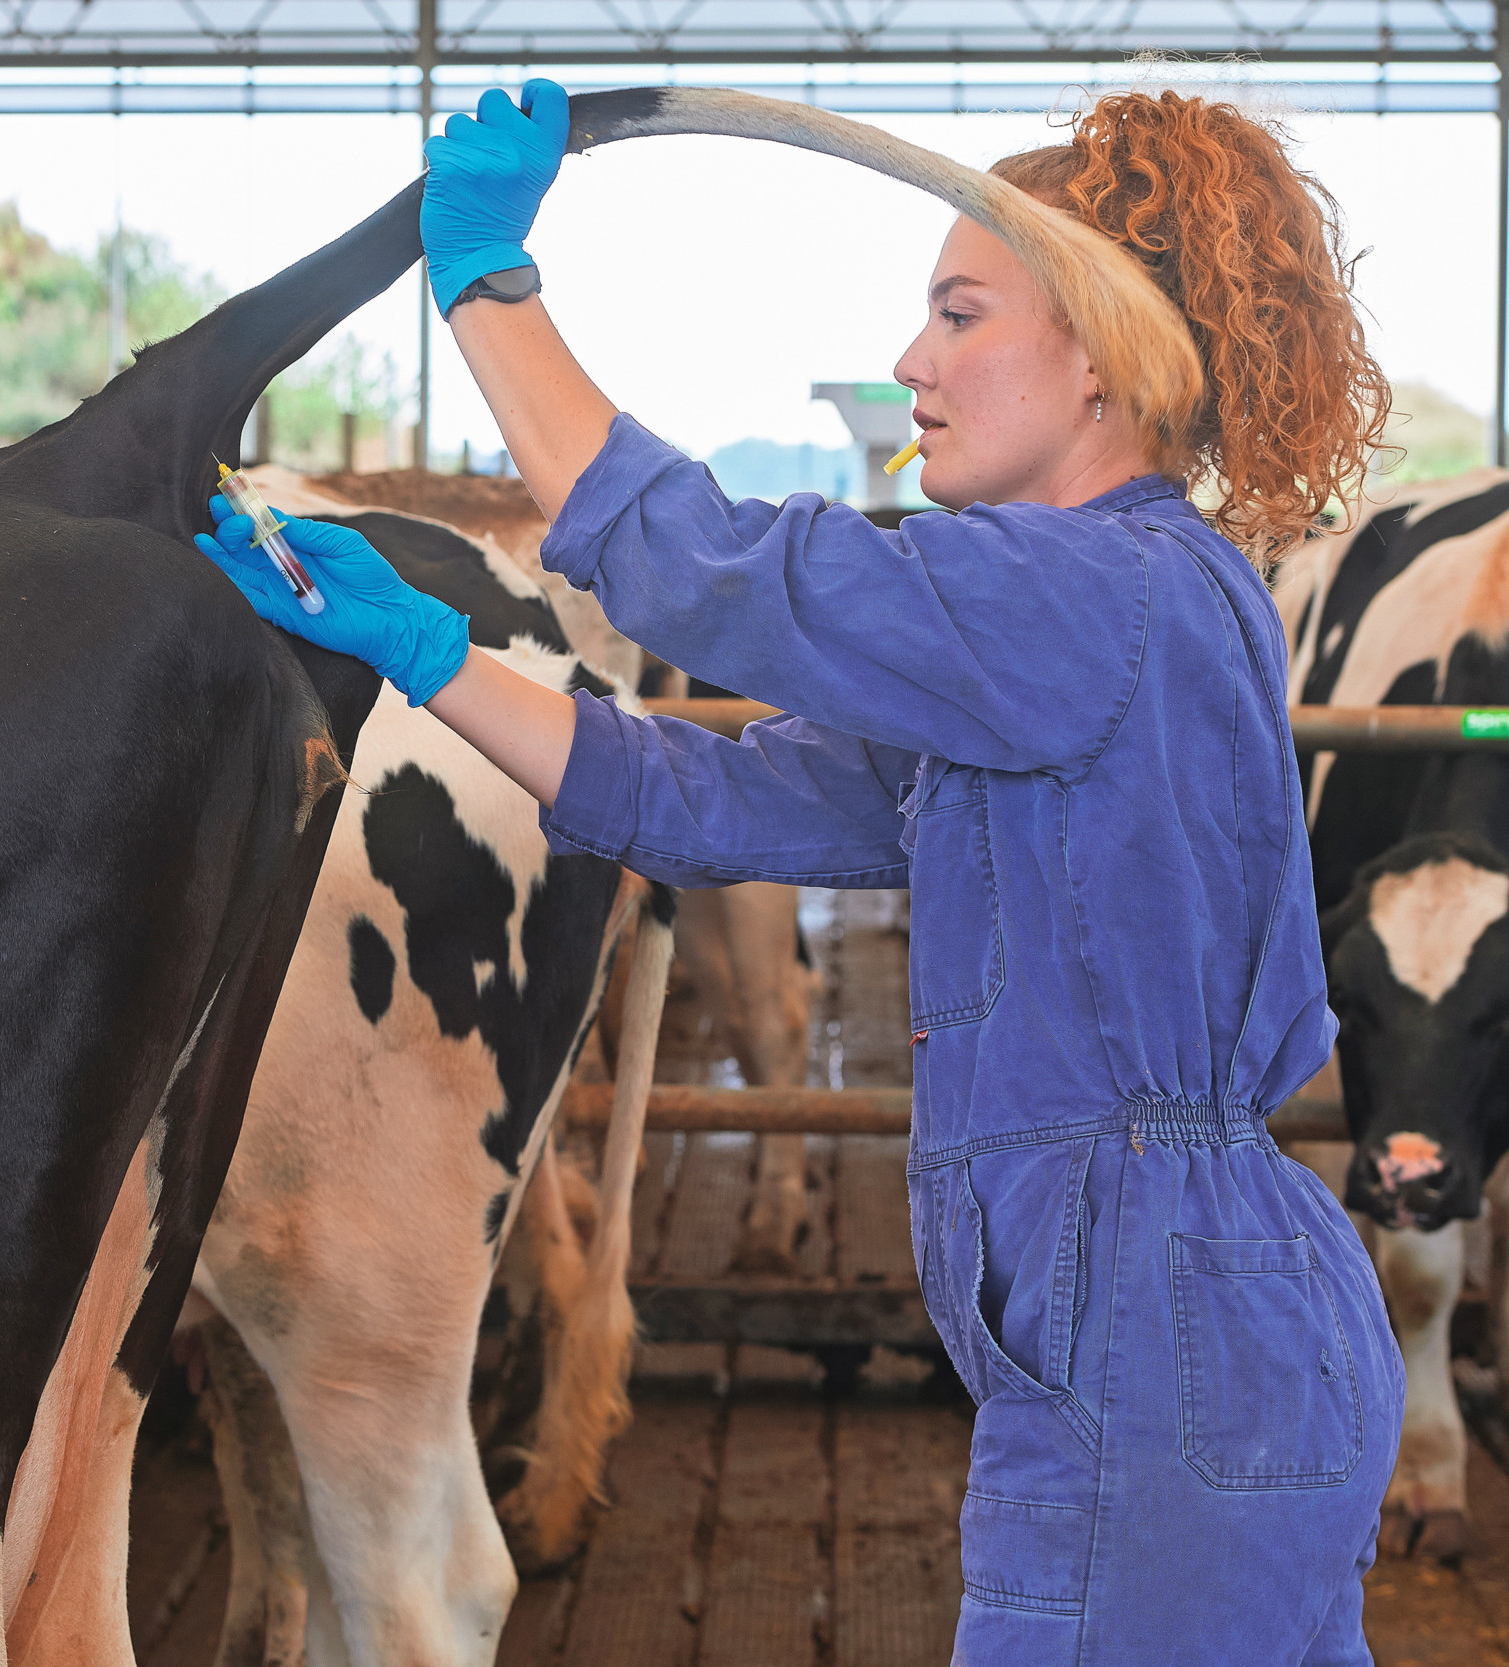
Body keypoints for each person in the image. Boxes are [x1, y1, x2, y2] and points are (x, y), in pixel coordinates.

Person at [196, 81, 1407, 1666]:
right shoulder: (1099, 624)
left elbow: (703, 565)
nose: (910, 362)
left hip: (1158, 1346)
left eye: (958, 312)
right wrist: (434, 658)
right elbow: (714, 798)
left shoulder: (1083, 596)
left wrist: (485, 279)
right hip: (1195, 1328)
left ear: (1107, 357)